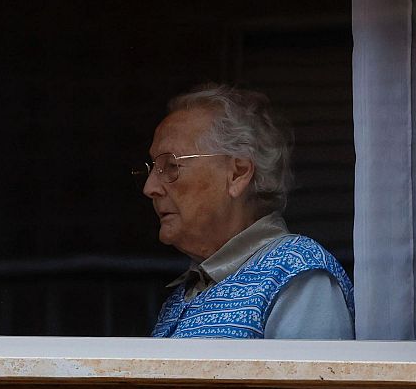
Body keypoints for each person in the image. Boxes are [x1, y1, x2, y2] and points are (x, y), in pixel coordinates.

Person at [141, 84, 354, 339]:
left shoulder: (296, 273)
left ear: (237, 173)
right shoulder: (186, 293)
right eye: (153, 169)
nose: (149, 187)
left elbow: (313, 378)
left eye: (170, 166)